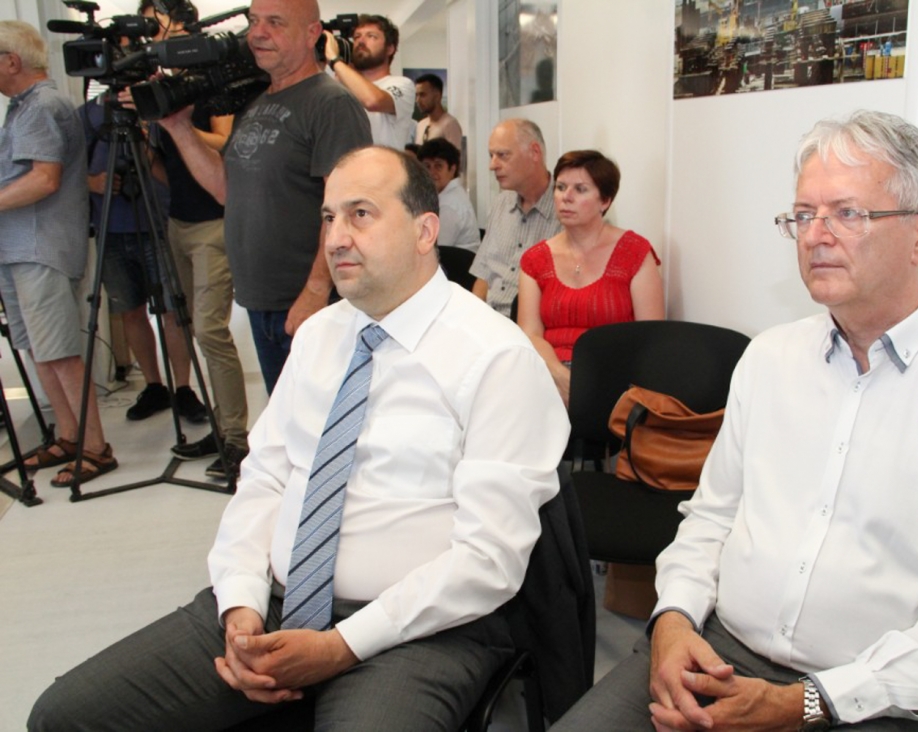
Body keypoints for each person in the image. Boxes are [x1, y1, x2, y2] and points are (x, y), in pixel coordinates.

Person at [28, 145, 571, 731]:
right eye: (329, 217)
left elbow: (488, 559)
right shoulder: (319, 337)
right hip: (274, 601)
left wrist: (341, 645)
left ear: (425, 231)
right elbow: (264, 477)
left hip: (418, 625)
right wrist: (240, 602)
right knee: (61, 718)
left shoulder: (496, 358)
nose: (335, 238)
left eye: (360, 214)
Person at [551, 110, 918, 731]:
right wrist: (672, 622)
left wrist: (798, 705)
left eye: (847, 213)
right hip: (716, 649)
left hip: (866, 697)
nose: (815, 236)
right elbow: (711, 519)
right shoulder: (768, 359)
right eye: (804, 215)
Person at [158, 0, 374, 398]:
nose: (258, 33)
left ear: (312, 33)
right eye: (254, 21)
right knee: (288, 418)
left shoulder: (331, 103)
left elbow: (348, 211)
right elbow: (225, 189)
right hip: (263, 302)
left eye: (275, 23)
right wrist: (178, 128)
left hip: (310, 303)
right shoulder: (257, 103)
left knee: (320, 421)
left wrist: (315, 291)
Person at [135, 0, 251, 478]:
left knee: (209, 330)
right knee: (188, 326)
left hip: (212, 224)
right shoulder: (163, 85)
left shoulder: (211, 80)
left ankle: (237, 438)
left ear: (183, 25)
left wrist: (181, 124)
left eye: (155, 24)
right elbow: (161, 166)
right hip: (178, 221)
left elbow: (227, 143)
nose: (150, 35)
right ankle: (221, 427)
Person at [0, 21, 116, 486]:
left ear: (11, 61)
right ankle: (68, 436)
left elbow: (44, 179)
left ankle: (95, 447)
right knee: (38, 348)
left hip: (40, 247)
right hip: (19, 247)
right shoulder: (23, 107)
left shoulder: (42, 106)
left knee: (60, 351)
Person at [81, 93, 205, 424]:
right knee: (129, 310)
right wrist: (92, 182)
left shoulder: (157, 106)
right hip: (110, 226)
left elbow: (177, 167)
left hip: (158, 221)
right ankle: (154, 386)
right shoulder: (89, 114)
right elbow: (66, 167)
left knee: (173, 310)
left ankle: (183, 388)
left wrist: (148, 143)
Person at [518, 150, 663, 405]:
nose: (566, 197)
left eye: (580, 189)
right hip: (548, 374)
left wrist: (587, 387)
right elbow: (529, 335)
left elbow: (651, 338)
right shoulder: (535, 259)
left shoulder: (634, 252)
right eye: (560, 187)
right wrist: (560, 376)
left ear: (605, 201)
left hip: (614, 378)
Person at [471, 118, 562, 316]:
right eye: (491, 156)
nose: (492, 165)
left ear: (534, 152)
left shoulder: (565, 210)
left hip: (530, 324)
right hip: (488, 320)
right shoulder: (501, 204)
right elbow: (483, 276)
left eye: (503, 155)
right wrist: (473, 318)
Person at [323, 15, 414, 149]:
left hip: (380, 162)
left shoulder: (402, 84)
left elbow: (373, 101)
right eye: (356, 37)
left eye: (371, 36)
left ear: (390, 48)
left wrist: (335, 60)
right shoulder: (340, 84)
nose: (361, 41)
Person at [416, 138, 479, 252]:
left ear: (452, 169)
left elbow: (434, 249)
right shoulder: (448, 194)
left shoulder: (449, 205)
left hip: (452, 262)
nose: (431, 172)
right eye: (427, 166)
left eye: (438, 166)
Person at [414, 73, 462, 149]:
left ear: (437, 96)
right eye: (416, 95)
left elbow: (454, 155)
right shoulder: (421, 125)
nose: (418, 100)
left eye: (422, 95)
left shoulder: (450, 124)